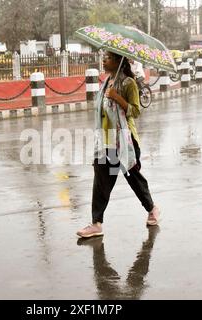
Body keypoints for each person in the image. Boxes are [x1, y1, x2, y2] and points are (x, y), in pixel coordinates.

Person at [76, 51, 160, 238]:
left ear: (118, 61)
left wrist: (117, 97)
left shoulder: (128, 83)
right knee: (101, 180)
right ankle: (96, 224)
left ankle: (152, 209)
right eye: (104, 57)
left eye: (108, 58)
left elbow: (135, 111)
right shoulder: (107, 81)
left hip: (125, 139)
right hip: (106, 141)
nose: (104, 60)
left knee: (133, 178)